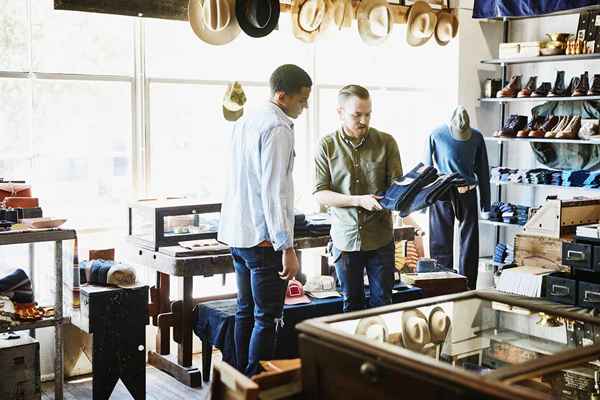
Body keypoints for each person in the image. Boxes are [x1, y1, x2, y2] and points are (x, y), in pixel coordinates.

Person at [218, 64, 312, 376]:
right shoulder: (278, 127)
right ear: (282, 95)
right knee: (267, 317)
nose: (305, 106)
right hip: (263, 239)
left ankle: (235, 382)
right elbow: (274, 191)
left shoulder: (246, 120)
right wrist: (287, 246)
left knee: (245, 312)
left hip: (237, 233)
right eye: (302, 100)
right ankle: (255, 385)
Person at [314, 84, 402, 312]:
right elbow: (320, 193)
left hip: (381, 239)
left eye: (368, 114)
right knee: (351, 306)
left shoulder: (387, 143)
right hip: (345, 239)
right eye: (357, 115)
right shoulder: (326, 145)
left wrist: (411, 198)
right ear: (340, 112)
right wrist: (358, 200)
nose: (364, 120)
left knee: (384, 306)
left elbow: (398, 189)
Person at [425, 105, 490, 290]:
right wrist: (422, 201)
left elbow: (483, 171)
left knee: (470, 242)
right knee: (440, 240)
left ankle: (468, 285)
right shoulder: (436, 134)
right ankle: (440, 283)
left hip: (467, 191)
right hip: (441, 192)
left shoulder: (476, 137)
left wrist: (486, 204)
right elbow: (425, 169)